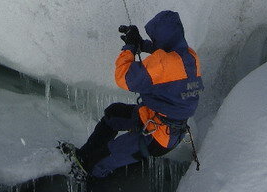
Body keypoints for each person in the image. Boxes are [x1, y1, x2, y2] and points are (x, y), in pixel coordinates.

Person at [60, 10, 203, 180]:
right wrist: (142, 44)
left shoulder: (165, 63)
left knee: (97, 162)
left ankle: (85, 172)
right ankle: (84, 154)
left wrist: (129, 48)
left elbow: (124, 78)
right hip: (165, 124)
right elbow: (165, 54)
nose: (155, 41)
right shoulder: (189, 56)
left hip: (157, 135)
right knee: (114, 114)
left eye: (155, 38)